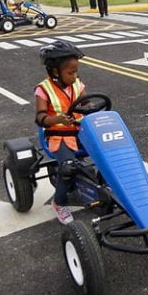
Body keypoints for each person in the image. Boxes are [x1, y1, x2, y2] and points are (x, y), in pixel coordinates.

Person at [35, 41, 86, 225]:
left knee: (111, 151)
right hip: (57, 136)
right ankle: (59, 202)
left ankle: (105, 186)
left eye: (76, 72)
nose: (75, 76)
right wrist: (57, 119)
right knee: (68, 166)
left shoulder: (77, 85)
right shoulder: (43, 90)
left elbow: (86, 105)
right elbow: (40, 118)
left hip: (79, 133)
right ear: (55, 72)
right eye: (70, 73)